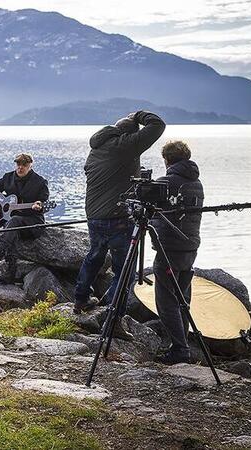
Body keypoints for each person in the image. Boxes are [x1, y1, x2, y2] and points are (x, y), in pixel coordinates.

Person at [74, 110, 166, 315]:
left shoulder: (97, 148)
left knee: (95, 256)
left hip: (94, 215)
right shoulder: (126, 145)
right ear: (130, 134)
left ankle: (80, 300)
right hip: (119, 218)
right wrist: (138, 115)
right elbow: (158, 125)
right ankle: (114, 318)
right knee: (123, 271)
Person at [151, 141, 204, 365]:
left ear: (167, 160)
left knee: (166, 299)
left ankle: (180, 348)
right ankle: (181, 344)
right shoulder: (197, 182)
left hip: (169, 248)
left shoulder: (166, 182)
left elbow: (150, 209)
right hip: (190, 246)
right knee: (182, 298)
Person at [0, 153, 49, 284]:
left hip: (33, 222)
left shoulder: (40, 182)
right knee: (12, 226)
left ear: (30, 165)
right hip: (13, 224)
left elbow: (44, 203)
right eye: (18, 164)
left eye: (24, 164)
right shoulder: (8, 178)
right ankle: (10, 272)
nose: (20, 167)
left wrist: (39, 205)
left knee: (13, 222)